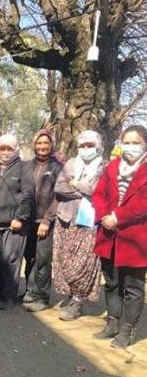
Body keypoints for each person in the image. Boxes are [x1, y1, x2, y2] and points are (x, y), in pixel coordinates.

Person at [91, 125, 147, 348]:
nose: (130, 146)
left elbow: (143, 204)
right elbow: (99, 193)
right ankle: (113, 322)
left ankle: (128, 329)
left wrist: (118, 217)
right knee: (111, 281)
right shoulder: (113, 166)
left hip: (135, 237)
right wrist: (105, 215)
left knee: (133, 287)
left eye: (136, 142)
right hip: (108, 235)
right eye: (127, 142)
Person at [52, 130, 106, 321]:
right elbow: (60, 187)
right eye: (83, 145)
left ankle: (77, 300)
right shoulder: (71, 164)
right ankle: (71, 294)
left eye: (90, 145)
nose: (86, 149)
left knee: (83, 263)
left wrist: (76, 184)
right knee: (65, 259)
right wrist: (84, 190)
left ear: (98, 146)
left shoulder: (104, 167)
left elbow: (99, 190)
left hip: (89, 222)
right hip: (66, 219)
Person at [0, 134, 34, 310]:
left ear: (16, 149)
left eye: (9, 148)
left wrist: (20, 217)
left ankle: (7, 296)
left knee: (11, 259)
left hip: (15, 224)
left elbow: (27, 194)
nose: (5, 152)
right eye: (2, 148)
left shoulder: (24, 168)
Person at [23, 130, 63, 312]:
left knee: (43, 260)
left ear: (52, 144)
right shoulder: (27, 166)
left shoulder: (58, 168)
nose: (42, 146)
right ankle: (30, 291)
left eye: (46, 143)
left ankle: (42, 297)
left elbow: (58, 196)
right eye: (39, 143)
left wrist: (47, 220)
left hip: (46, 221)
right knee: (29, 257)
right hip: (28, 220)